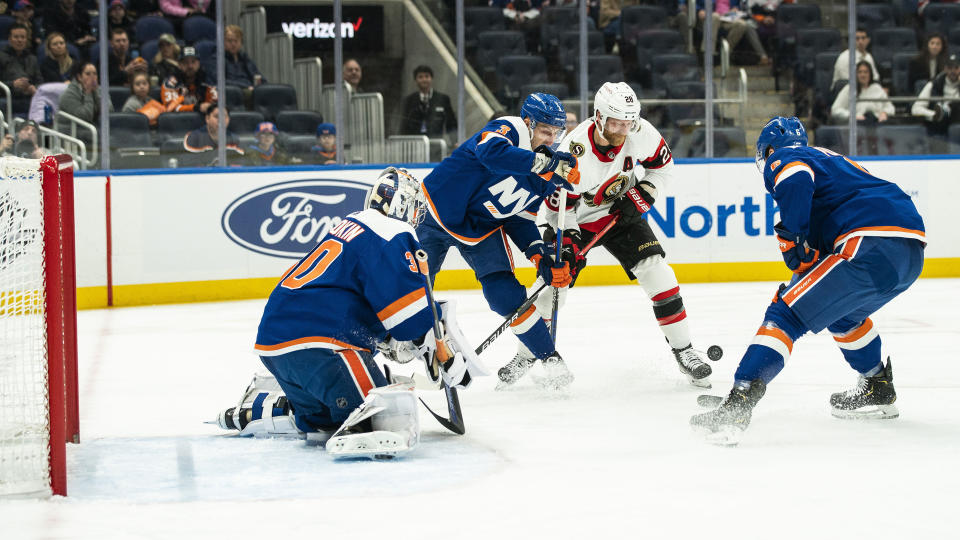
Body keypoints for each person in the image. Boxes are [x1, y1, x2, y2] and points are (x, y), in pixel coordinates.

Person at [690, 117, 925, 445]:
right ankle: (877, 385)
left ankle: (739, 401)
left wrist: (791, 232)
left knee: (784, 314)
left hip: (868, 244)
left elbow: (795, 177)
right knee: (843, 315)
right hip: (909, 253)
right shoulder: (835, 163)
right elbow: (816, 255)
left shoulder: (785, 157)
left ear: (768, 150)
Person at [214, 167, 479, 458]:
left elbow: (365, 301)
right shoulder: (391, 229)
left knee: (324, 424)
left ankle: (266, 408)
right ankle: (355, 422)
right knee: (388, 415)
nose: (416, 216)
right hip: (323, 346)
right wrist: (445, 355)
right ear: (402, 203)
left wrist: (402, 341)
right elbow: (410, 320)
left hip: (276, 343)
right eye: (414, 206)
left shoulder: (352, 226)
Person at [507, 82, 713, 388]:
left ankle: (684, 350)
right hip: (573, 216)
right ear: (599, 117)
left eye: (627, 123)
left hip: (621, 211)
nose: (621, 131)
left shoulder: (641, 133)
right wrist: (569, 244)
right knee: (553, 286)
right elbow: (557, 208)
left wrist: (643, 196)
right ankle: (527, 353)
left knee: (657, 270)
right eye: (615, 123)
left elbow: (663, 168)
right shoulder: (572, 153)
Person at [419, 93, 579, 389]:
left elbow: (519, 218)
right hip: (436, 213)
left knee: (505, 295)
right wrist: (543, 163)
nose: (551, 139)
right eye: (545, 130)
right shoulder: (510, 128)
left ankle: (550, 359)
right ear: (528, 122)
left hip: (480, 228)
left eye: (557, 133)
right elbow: (490, 153)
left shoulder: (547, 173)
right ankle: (387, 352)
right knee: (414, 291)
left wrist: (538, 256)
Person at [691, 0, 770, 64]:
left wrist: (735, 9)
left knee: (742, 24)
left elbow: (739, 5)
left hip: (726, 18)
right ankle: (708, 54)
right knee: (715, 16)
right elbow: (695, 3)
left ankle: (724, 54)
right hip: (708, 17)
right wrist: (699, 10)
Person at [399, 65, 457, 139]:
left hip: (436, 144)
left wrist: (455, 141)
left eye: (427, 76)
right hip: (415, 144)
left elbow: (451, 124)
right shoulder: (408, 101)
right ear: (415, 80)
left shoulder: (442, 99)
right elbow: (404, 126)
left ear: (431, 78)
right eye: (420, 77)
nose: (424, 79)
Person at [830, 61, 895, 124]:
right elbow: (835, 110)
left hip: (877, 124)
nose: (863, 75)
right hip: (857, 125)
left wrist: (884, 113)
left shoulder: (877, 88)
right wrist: (852, 116)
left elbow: (891, 108)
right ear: (856, 74)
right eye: (860, 72)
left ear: (870, 74)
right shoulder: (849, 89)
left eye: (866, 72)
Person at [911, 53, 960, 137]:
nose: (953, 71)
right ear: (945, 69)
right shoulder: (933, 84)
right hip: (938, 127)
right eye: (950, 68)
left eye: (956, 68)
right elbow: (916, 109)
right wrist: (934, 115)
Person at [1, 23, 42, 114]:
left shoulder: (32, 59)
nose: (19, 40)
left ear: (26, 40)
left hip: (28, 98)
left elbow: (40, 82)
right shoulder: (1, 56)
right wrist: (13, 84)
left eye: (23, 37)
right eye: (16, 37)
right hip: (8, 99)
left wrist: (33, 88)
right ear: (9, 39)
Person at [160, 46, 215, 114]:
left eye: (193, 62)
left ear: (199, 64)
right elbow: (170, 108)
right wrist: (196, 108)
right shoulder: (171, 82)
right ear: (179, 65)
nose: (190, 66)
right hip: (177, 121)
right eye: (185, 62)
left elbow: (215, 106)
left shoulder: (208, 80)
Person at [224, 25, 266, 92]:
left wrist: (263, 85)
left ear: (241, 42)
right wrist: (246, 86)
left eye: (236, 41)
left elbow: (258, 76)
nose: (233, 44)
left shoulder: (245, 58)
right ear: (223, 42)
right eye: (229, 41)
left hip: (251, 90)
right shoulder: (218, 59)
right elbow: (220, 82)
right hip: (234, 93)